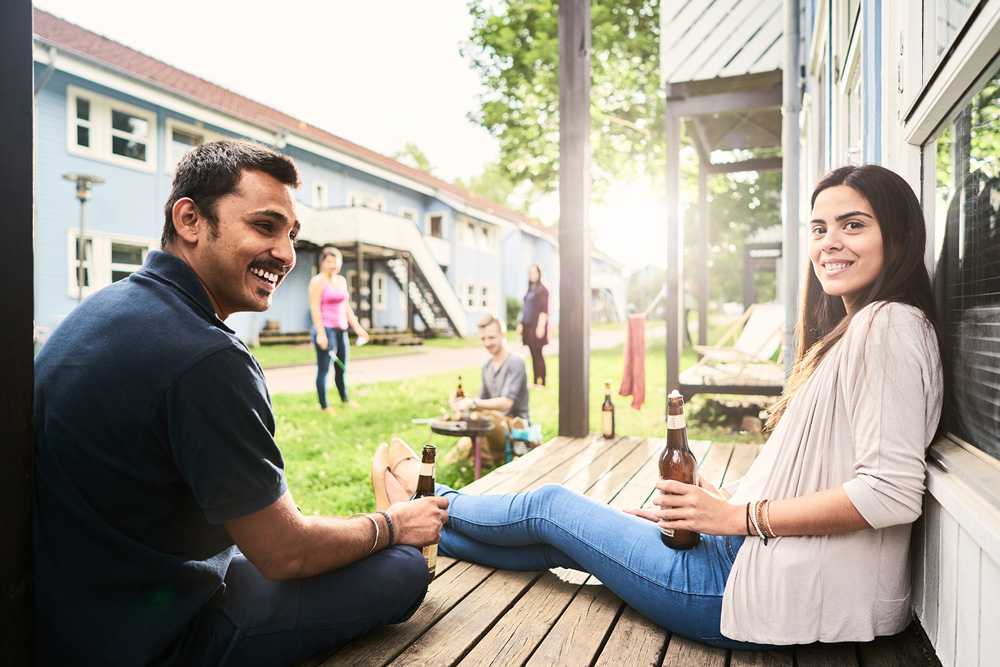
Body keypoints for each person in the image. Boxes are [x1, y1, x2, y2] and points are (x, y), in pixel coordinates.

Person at [374, 164, 943, 649]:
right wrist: (723, 505)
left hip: (745, 591)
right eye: (819, 227)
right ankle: (420, 528)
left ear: (897, 234)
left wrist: (738, 519)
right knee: (555, 538)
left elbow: (890, 493)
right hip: (747, 564)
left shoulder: (886, 325)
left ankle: (420, 501)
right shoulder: (867, 326)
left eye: (853, 225)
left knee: (549, 505)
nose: (829, 242)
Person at [32, 140, 449, 666]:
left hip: (78, 608)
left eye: (292, 235)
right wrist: (390, 524)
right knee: (404, 570)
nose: (286, 253)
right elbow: (283, 552)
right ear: (190, 219)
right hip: (156, 636)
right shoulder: (205, 356)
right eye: (265, 226)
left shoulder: (105, 308)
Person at [445, 314, 531, 466]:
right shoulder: (487, 366)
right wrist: (462, 401)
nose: (487, 343)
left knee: (481, 417)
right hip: (490, 424)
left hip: (515, 428)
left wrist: (472, 404)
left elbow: (506, 403)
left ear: (503, 335)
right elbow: (480, 400)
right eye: (483, 339)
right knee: (451, 460)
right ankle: (486, 456)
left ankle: (484, 463)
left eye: (491, 337)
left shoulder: (516, 362)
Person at [309, 246, 369, 412]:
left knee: (341, 368)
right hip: (325, 330)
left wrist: (358, 329)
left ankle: (345, 399)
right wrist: (321, 334)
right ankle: (324, 406)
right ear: (323, 263)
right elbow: (314, 308)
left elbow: (346, 307)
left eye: (336, 261)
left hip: (341, 330)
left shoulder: (341, 281)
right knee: (324, 369)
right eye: (329, 261)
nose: (332, 264)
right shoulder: (317, 282)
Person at [516, 263, 550, 387]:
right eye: (530, 272)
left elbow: (544, 310)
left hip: (537, 326)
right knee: (533, 354)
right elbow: (524, 308)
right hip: (528, 325)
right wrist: (520, 324)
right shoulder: (530, 289)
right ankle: (536, 381)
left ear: (539, 274)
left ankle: (543, 382)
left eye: (535, 272)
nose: (532, 275)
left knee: (539, 354)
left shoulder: (544, 290)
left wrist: (541, 327)